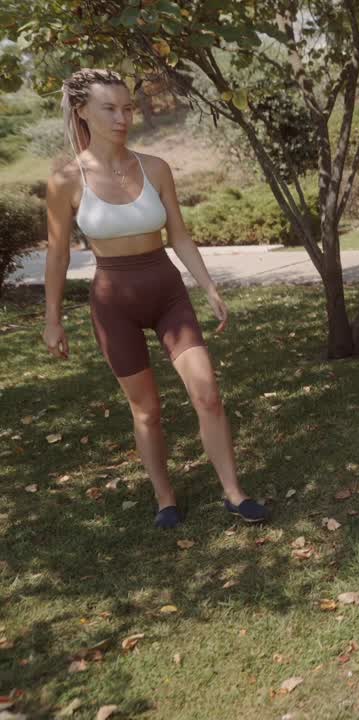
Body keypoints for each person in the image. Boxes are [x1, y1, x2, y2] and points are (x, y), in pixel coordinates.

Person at [42, 69, 268, 529]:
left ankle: (234, 492)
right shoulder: (66, 180)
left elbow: (180, 237)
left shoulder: (155, 167)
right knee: (147, 410)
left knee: (208, 393)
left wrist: (208, 287)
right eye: (110, 108)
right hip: (113, 303)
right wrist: (52, 319)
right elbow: (58, 254)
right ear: (83, 111)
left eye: (127, 108)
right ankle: (165, 499)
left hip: (167, 293)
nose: (123, 118)